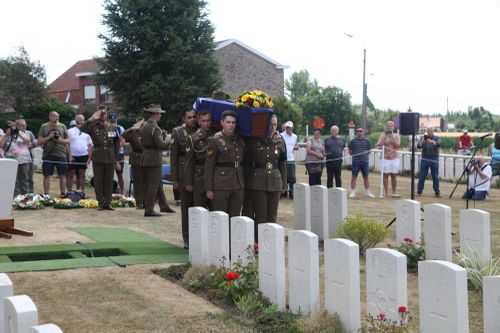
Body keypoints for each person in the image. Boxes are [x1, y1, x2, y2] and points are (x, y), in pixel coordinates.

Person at [245, 114, 287, 241]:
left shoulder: (280, 141)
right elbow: (247, 162)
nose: (272, 127)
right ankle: (259, 241)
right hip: (258, 180)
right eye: (270, 124)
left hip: (275, 180)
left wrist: (284, 183)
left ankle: (271, 240)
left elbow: (283, 163)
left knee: (272, 214)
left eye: (274, 124)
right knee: (261, 214)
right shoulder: (254, 140)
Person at [205, 110, 245, 217]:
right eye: (228, 122)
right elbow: (209, 166)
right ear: (222, 123)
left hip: (237, 183)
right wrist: (209, 188)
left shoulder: (239, 139)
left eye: (233, 122)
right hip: (221, 184)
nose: (231, 125)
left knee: (235, 217)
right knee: (220, 217)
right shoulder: (215, 140)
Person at [81, 105, 120, 210]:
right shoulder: (93, 125)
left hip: (110, 156)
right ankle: (101, 203)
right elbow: (82, 129)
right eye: (101, 113)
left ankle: (108, 202)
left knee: (109, 180)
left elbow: (116, 142)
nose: (103, 115)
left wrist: (116, 158)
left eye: (105, 113)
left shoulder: (112, 126)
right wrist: (91, 119)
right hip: (98, 156)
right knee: (98, 180)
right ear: (98, 114)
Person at [140, 104, 173, 217]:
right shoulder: (155, 128)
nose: (160, 116)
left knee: (157, 184)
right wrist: (168, 139)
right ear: (155, 114)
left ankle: (163, 206)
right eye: (159, 114)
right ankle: (149, 209)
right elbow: (161, 145)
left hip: (147, 156)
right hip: (154, 158)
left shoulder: (144, 126)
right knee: (153, 185)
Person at [171, 108, 197, 248]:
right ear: (184, 119)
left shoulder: (200, 130)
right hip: (183, 174)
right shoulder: (178, 132)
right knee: (186, 207)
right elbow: (173, 157)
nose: (192, 120)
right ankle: (187, 238)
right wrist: (174, 179)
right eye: (189, 117)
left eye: (194, 117)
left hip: (197, 173)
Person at [185, 110, 214, 208]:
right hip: (199, 175)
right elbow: (189, 162)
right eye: (204, 121)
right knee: (200, 207)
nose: (206, 123)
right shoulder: (193, 138)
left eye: (208, 120)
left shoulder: (215, 135)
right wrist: (189, 182)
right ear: (199, 122)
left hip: (213, 175)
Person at [37, 111, 70, 197]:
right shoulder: (44, 126)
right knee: (47, 175)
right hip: (48, 154)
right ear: (50, 117)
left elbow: (68, 141)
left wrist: (59, 140)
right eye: (55, 116)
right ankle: (46, 194)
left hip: (61, 154)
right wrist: (49, 137)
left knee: (63, 174)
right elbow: (39, 141)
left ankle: (63, 194)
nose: (57, 118)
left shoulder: (62, 126)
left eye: (58, 116)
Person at [0, 121, 32, 196]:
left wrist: (19, 133)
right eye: (11, 127)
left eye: (14, 127)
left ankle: (25, 197)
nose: (13, 128)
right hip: (11, 160)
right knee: (13, 180)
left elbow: (27, 141)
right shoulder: (5, 135)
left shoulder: (22, 133)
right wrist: (6, 135)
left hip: (24, 160)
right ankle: (14, 197)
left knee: (24, 179)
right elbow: (1, 145)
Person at [122, 117, 146, 208]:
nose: (142, 126)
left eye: (143, 124)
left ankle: (148, 201)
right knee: (138, 182)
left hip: (148, 158)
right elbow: (123, 135)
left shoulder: (148, 132)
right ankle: (139, 202)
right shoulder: (133, 133)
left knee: (148, 182)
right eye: (140, 124)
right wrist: (133, 128)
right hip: (137, 159)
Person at [67, 115, 93, 193]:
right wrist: (70, 155)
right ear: (75, 120)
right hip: (73, 156)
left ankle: (81, 192)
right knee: (71, 174)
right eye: (79, 120)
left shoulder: (87, 132)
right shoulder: (70, 131)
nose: (80, 122)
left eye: (82, 120)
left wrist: (89, 158)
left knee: (82, 175)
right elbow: (67, 144)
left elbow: (90, 145)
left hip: (84, 156)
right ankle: (69, 192)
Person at [376, 121, 401, 197]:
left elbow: (397, 146)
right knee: (385, 175)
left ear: (393, 127)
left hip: (394, 158)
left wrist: (392, 137)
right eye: (388, 125)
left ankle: (394, 192)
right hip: (385, 157)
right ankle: (386, 192)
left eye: (391, 125)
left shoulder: (396, 136)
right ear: (386, 127)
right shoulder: (382, 135)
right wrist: (384, 138)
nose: (389, 127)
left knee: (393, 175)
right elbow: (378, 145)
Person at [348, 127, 375, 198]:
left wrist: (364, 155)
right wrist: (355, 156)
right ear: (356, 132)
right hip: (355, 161)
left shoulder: (367, 140)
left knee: (366, 177)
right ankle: (353, 192)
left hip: (364, 161)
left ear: (363, 132)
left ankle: (367, 192)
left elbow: (369, 150)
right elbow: (350, 151)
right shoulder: (353, 141)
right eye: (357, 131)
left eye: (360, 131)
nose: (359, 132)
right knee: (354, 176)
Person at [417, 127, 442, 198]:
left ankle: (437, 192)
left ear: (433, 131)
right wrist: (422, 142)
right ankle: (419, 191)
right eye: (428, 131)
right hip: (424, 159)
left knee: (435, 177)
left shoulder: (437, 138)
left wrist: (432, 142)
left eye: (430, 131)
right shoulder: (423, 138)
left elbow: (439, 144)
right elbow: (418, 146)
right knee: (422, 176)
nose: (429, 132)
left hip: (434, 159)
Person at [15, 119, 37, 193]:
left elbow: (35, 142)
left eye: (25, 125)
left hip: (29, 157)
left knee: (29, 177)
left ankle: (30, 193)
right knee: (18, 178)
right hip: (18, 158)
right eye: (22, 125)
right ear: (17, 126)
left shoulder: (29, 133)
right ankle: (19, 195)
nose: (25, 126)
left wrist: (31, 145)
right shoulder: (14, 133)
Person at [280, 121, 298, 198]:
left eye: (289, 127)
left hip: (291, 159)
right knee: (282, 176)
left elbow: (295, 145)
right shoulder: (281, 135)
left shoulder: (295, 136)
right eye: (287, 127)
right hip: (283, 159)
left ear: (292, 128)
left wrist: (296, 147)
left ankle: (291, 192)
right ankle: (282, 192)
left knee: (292, 177)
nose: (288, 129)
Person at [109, 113, 126, 194]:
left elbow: (122, 140)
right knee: (109, 173)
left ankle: (122, 191)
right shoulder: (108, 128)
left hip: (119, 153)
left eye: (114, 121)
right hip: (109, 153)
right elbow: (110, 141)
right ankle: (109, 191)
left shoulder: (120, 128)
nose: (113, 123)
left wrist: (116, 149)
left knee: (119, 173)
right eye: (111, 121)